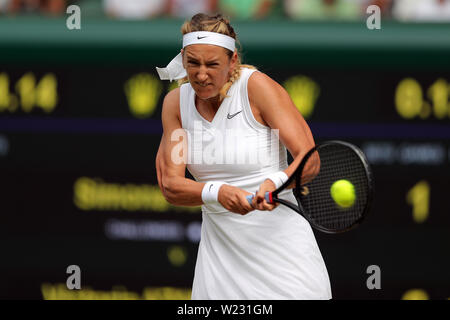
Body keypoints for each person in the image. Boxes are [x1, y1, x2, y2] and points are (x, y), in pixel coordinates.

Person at [155, 13, 331, 299]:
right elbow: (170, 186)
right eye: (193, 63)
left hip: (286, 265)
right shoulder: (176, 104)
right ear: (184, 59)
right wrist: (217, 192)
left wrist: (276, 182)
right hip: (219, 273)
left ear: (232, 61)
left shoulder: (256, 87)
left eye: (212, 64)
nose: (201, 75)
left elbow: (309, 158)